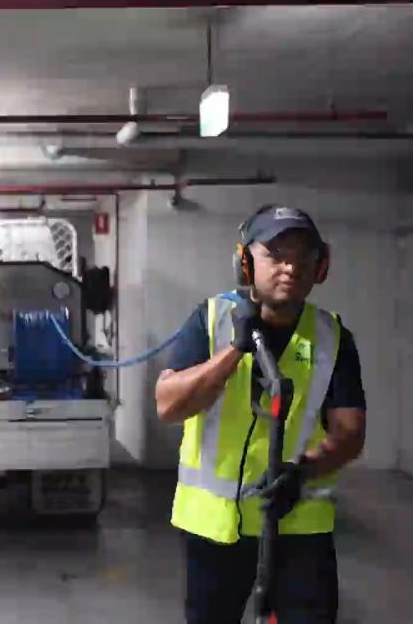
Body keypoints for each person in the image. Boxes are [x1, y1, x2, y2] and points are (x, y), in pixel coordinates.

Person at [155, 204, 367, 624]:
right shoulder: (211, 320)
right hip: (216, 529)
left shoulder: (332, 337)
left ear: (319, 266)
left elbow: (350, 432)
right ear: (245, 263)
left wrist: (304, 471)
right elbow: (168, 405)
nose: (290, 267)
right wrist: (234, 350)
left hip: (299, 526)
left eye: (303, 256)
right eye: (275, 254)